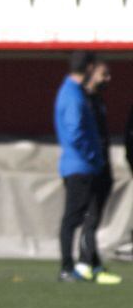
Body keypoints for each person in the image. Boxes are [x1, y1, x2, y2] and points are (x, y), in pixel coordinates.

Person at [55, 51, 108, 283]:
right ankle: (67, 267)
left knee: (82, 217)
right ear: (88, 68)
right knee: (73, 218)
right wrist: (92, 156)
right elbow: (75, 131)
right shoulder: (72, 95)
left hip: (82, 165)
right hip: (79, 166)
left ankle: (85, 264)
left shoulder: (74, 92)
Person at [78, 61, 122, 285]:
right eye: (104, 74)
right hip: (90, 167)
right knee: (89, 216)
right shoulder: (82, 99)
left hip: (102, 166)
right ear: (91, 73)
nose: (108, 79)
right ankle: (84, 263)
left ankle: (93, 264)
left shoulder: (97, 100)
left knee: (95, 217)